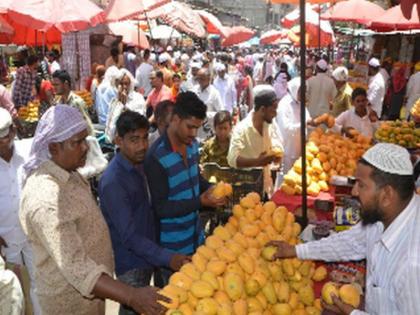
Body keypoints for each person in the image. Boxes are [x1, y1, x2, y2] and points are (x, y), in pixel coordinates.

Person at [19, 105, 169, 315]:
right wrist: (132, 296)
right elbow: (77, 268)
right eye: (77, 142)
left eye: (85, 139)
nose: (86, 148)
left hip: (93, 297)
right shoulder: (45, 200)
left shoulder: (69, 174)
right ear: (53, 148)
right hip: (70, 304)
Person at [267, 143, 420, 315]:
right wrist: (296, 250)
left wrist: (352, 313)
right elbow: (350, 242)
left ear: (387, 195)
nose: (354, 192)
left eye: (361, 185)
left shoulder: (413, 262)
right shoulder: (384, 217)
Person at [99, 111, 189, 314]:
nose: (141, 146)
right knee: (134, 305)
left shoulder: (138, 163)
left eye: (144, 138)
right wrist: (168, 258)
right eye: (134, 140)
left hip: (149, 252)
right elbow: (129, 237)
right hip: (131, 262)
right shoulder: (113, 181)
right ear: (118, 140)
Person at [144, 92, 226, 284]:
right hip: (171, 252)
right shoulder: (156, 157)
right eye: (190, 127)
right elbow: (161, 208)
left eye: (197, 128)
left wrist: (210, 188)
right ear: (175, 119)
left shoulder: (191, 146)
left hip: (195, 239)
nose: (194, 133)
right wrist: (200, 202)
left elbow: (194, 179)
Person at [0, 108, 41, 315]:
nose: (1, 144)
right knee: (11, 289)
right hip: (6, 238)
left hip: (31, 232)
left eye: (4, 138)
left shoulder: (26, 155)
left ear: (13, 133)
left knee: (39, 281)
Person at [227, 85, 283, 196]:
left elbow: (277, 142)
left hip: (266, 187)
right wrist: (257, 161)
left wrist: (276, 155)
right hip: (247, 191)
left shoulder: (270, 124)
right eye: (273, 110)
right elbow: (232, 159)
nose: (275, 114)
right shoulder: (241, 129)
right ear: (262, 110)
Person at [276, 78, 312, 173]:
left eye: (305, 91)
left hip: (299, 147)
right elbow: (286, 128)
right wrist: (304, 124)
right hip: (288, 149)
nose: (304, 94)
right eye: (302, 91)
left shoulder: (300, 104)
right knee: (286, 178)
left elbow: (308, 119)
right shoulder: (284, 105)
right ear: (295, 89)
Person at [105, 69, 146, 143]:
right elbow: (110, 124)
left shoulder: (138, 98)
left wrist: (124, 106)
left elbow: (139, 120)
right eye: (121, 84)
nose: (124, 87)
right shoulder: (114, 102)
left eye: (126, 84)